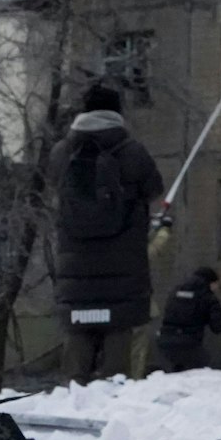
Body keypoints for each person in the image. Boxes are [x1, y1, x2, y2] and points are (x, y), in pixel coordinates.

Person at [47, 83, 165, 384]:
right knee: (118, 355)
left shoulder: (61, 153)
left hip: (75, 270)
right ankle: (114, 410)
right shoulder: (132, 151)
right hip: (122, 269)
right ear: (117, 113)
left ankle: (72, 398)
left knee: (77, 350)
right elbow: (155, 190)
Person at [155, 266, 221, 372]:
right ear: (211, 283)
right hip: (190, 345)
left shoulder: (175, 291)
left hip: (165, 342)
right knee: (206, 372)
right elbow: (219, 327)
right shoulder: (208, 297)